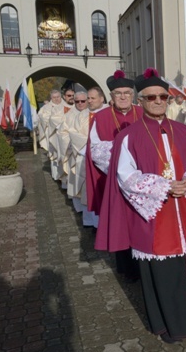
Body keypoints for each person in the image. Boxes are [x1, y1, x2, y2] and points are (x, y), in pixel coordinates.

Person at [95, 67, 186, 343]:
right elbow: (126, 177)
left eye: (164, 96)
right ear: (141, 101)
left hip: (185, 214)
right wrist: (164, 186)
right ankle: (171, 326)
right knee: (165, 274)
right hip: (154, 218)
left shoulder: (184, 131)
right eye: (151, 98)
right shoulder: (129, 137)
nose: (159, 101)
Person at [88, 70, 143, 282]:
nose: (123, 97)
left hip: (143, 182)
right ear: (111, 96)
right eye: (118, 93)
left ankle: (144, 264)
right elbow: (97, 151)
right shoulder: (100, 118)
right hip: (116, 181)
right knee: (122, 225)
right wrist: (124, 170)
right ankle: (127, 268)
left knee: (140, 223)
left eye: (127, 93)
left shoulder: (142, 112)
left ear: (133, 95)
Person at [69, 87, 106, 228]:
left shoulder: (110, 112)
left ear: (102, 98)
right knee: (89, 190)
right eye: (88, 98)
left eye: (92, 98)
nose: (89, 101)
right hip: (85, 156)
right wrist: (90, 147)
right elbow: (73, 133)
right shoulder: (81, 115)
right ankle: (93, 223)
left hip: (106, 159)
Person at [47, 84, 76, 183]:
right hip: (62, 138)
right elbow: (53, 120)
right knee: (64, 159)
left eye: (73, 95)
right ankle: (65, 181)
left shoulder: (80, 107)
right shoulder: (58, 108)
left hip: (76, 139)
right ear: (64, 97)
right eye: (69, 96)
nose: (71, 97)